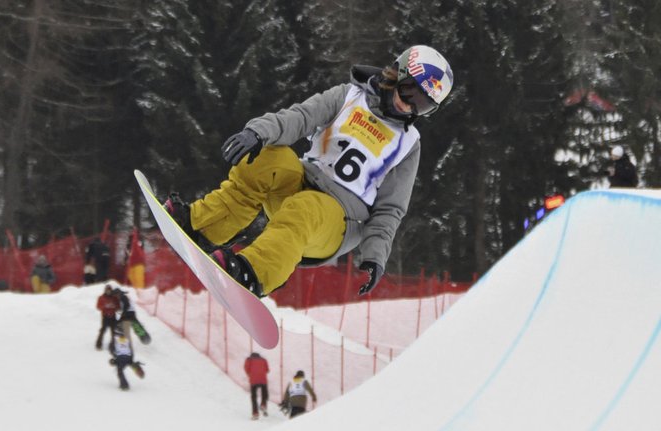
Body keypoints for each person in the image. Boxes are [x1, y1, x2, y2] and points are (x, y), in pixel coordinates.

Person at [163, 45, 454, 298]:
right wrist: (258, 133)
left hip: (340, 220)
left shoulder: (408, 144)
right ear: (397, 75)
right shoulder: (348, 98)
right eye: (411, 93)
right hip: (303, 183)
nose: (411, 107)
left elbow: (391, 209)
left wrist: (374, 256)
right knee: (267, 159)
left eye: (425, 105)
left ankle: (253, 274)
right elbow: (301, 117)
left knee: (306, 208)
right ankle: (202, 227)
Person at [107, 325, 141, 391]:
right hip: (128, 356)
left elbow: (111, 349)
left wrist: (114, 359)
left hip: (121, 357)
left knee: (120, 371)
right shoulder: (126, 339)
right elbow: (130, 349)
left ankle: (124, 385)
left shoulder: (114, 339)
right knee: (128, 362)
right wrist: (131, 359)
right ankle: (135, 366)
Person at [244, 351, 270, 419]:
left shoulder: (249, 360)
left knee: (254, 397)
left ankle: (255, 413)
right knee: (264, 393)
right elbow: (267, 370)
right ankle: (263, 404)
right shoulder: (264, 360)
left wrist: (251, 374)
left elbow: (246, 369)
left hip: (253, 380)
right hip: (263, 379)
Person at [95, 285, 120, 350]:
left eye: (109, 290)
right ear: (105, 290)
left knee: (113, 331)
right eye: (107, 290)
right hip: (105, 316)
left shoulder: (114, 298)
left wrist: (114, 306)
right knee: (103, 330)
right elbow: (98, 307)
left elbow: (118, 307)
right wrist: (105, 306)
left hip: (113, 316)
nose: (108, 292)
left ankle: (112, 344)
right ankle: (98, 344)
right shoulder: (101, 297)